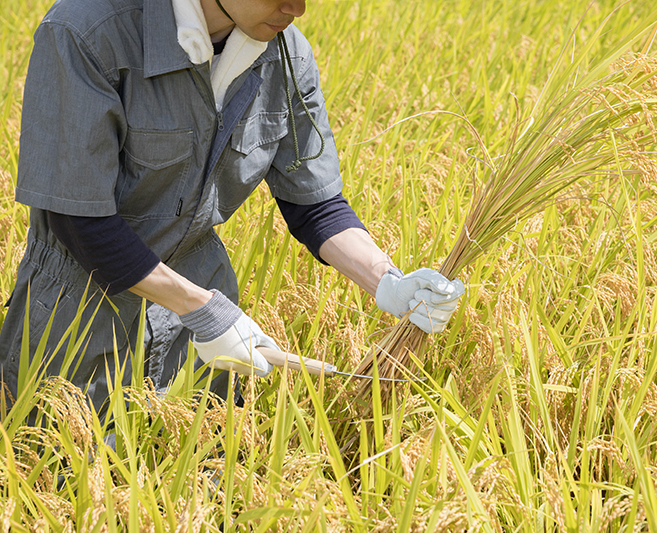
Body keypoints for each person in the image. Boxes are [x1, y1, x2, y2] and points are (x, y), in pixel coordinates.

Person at [0, 0, 464, 412]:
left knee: (197, 481)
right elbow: (78, 219)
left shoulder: (286, 52)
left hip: (204, 337)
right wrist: (199, 307)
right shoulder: (89, 31)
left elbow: (314, 205)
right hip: (81, 319)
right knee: (69, 482)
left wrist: (387, 281)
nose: (296, 8)